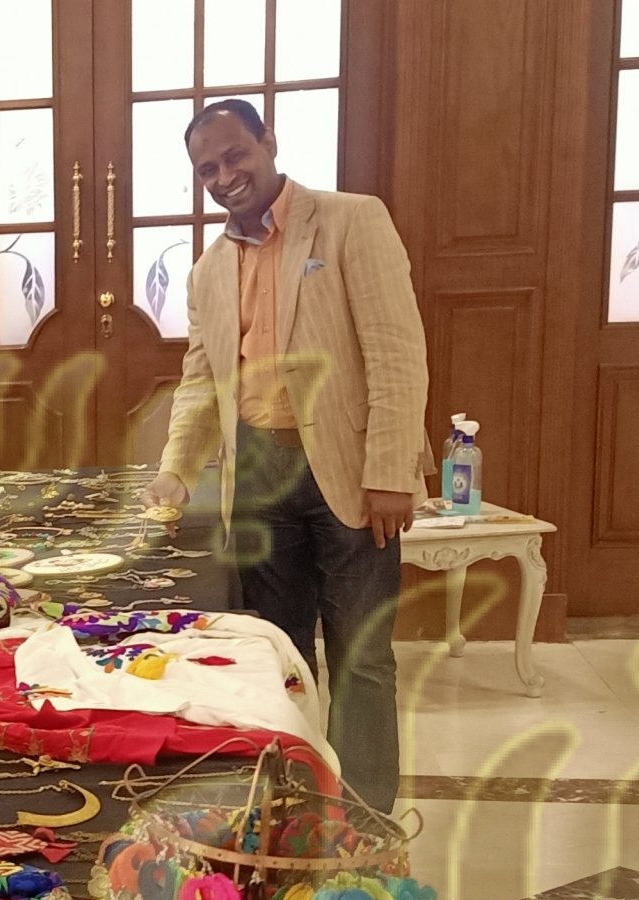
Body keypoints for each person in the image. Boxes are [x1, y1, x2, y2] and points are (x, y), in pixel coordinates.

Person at [140, 99, 431, 812]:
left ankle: (364, 817)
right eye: (207, 168)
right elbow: (202, 380)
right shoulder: (208, 269)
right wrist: (176, 470)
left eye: (235, 155)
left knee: (361, 657)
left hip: (349, 471)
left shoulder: (351, 220)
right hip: (258, 477)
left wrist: (391, 472)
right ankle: (292, 808)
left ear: (268, 141)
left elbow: (396, 353)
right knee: (279, 655)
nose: (224, 176)